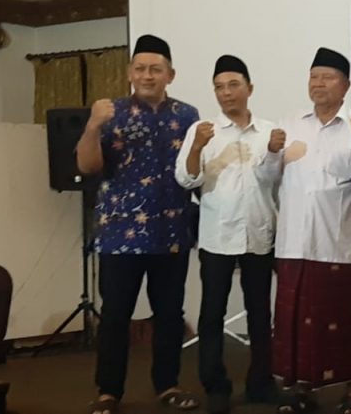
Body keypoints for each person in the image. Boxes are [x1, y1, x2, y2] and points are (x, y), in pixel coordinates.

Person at [76, 34, 201, 414]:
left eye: (156, 69)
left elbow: (195, 169)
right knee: (115, 316)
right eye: (141, 68)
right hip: (120, 233)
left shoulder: (188, 115)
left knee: (170, 315)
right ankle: (108, 392)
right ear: (130, 72)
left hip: (171, 231)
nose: (148, 75)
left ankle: (168, 385)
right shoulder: (109, 112)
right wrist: (93, 126)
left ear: (170, 75)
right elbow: (87, 166)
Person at [174, 55, 284, 414]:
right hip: (217, 236)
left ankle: (261, 382)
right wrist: (196, 147)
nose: (226, 93)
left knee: (260, 314)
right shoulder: (203, 130)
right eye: (219, 87)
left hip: (258, 232)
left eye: (233, 85)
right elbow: (186, 179)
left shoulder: (269, 131)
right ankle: (215, 386)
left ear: (249, 88)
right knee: (211, 314)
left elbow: (273, 181)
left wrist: (272, 152)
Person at [270, 47, 351, 414]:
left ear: (345, 86)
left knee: (342, 321)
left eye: (327, 77)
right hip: (294, 240)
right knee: (295, 321)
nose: (318, 84)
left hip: (338, 242)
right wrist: (271, 153)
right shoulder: (290, 123)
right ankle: (300, 390)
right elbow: (270, 176)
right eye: (314, 77)